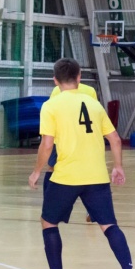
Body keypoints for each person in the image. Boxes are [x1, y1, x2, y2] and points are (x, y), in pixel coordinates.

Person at [28, 58, 135, 269]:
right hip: (97, 176)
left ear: (55, 81)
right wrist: (118, 166)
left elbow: (47, 144)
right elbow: (115, 139)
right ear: (79, 78)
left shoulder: (51, 106)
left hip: (65, 177)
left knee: (48, 222)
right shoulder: (94, 104)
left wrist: (37, 170)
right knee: (109, 225)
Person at [45, 83, 99, 223]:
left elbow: (52, 114)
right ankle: (93, 211)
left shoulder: (57, 90)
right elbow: (95, 115)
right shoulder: (90, 90)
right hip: (85, 140)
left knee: (53, 169)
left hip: (63, 139)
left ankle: (52, 207)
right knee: (89, 174)